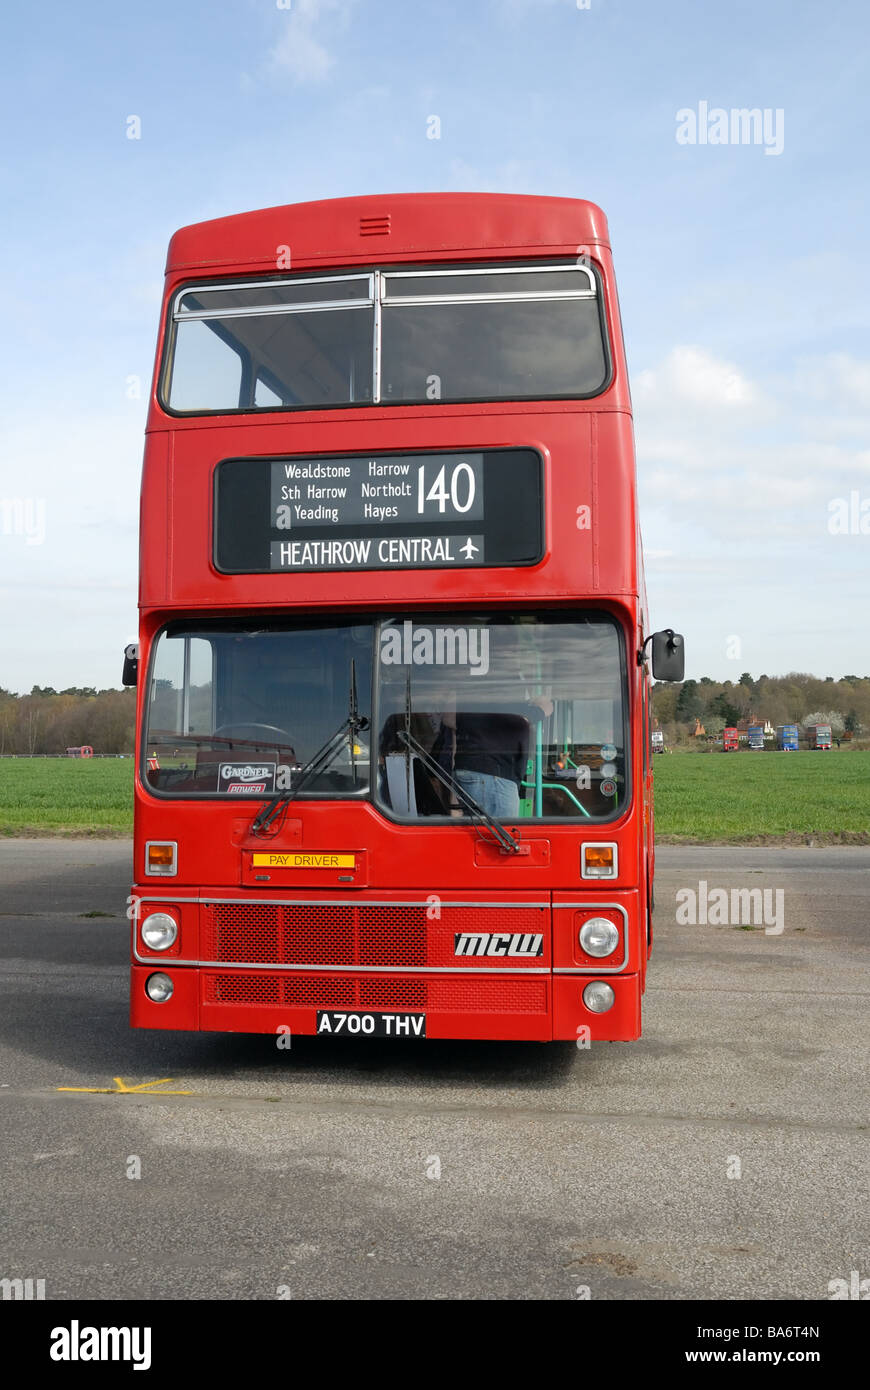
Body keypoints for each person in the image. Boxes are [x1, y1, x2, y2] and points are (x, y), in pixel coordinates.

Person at [435, 695, 554, 819]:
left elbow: (449, 718)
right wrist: (540, 711)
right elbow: (518, 717)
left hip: (470, 770)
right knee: (500, 835)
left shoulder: (474, 691)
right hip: (493, 777)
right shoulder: (504, 690)